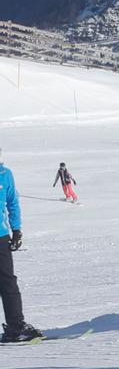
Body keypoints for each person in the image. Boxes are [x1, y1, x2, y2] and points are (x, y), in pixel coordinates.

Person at [0, 147, 41, 343]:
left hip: (0, 236)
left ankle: (15, 327)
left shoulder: (5, 175)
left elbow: (12, 203)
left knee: (8, 282)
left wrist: (16, 230)